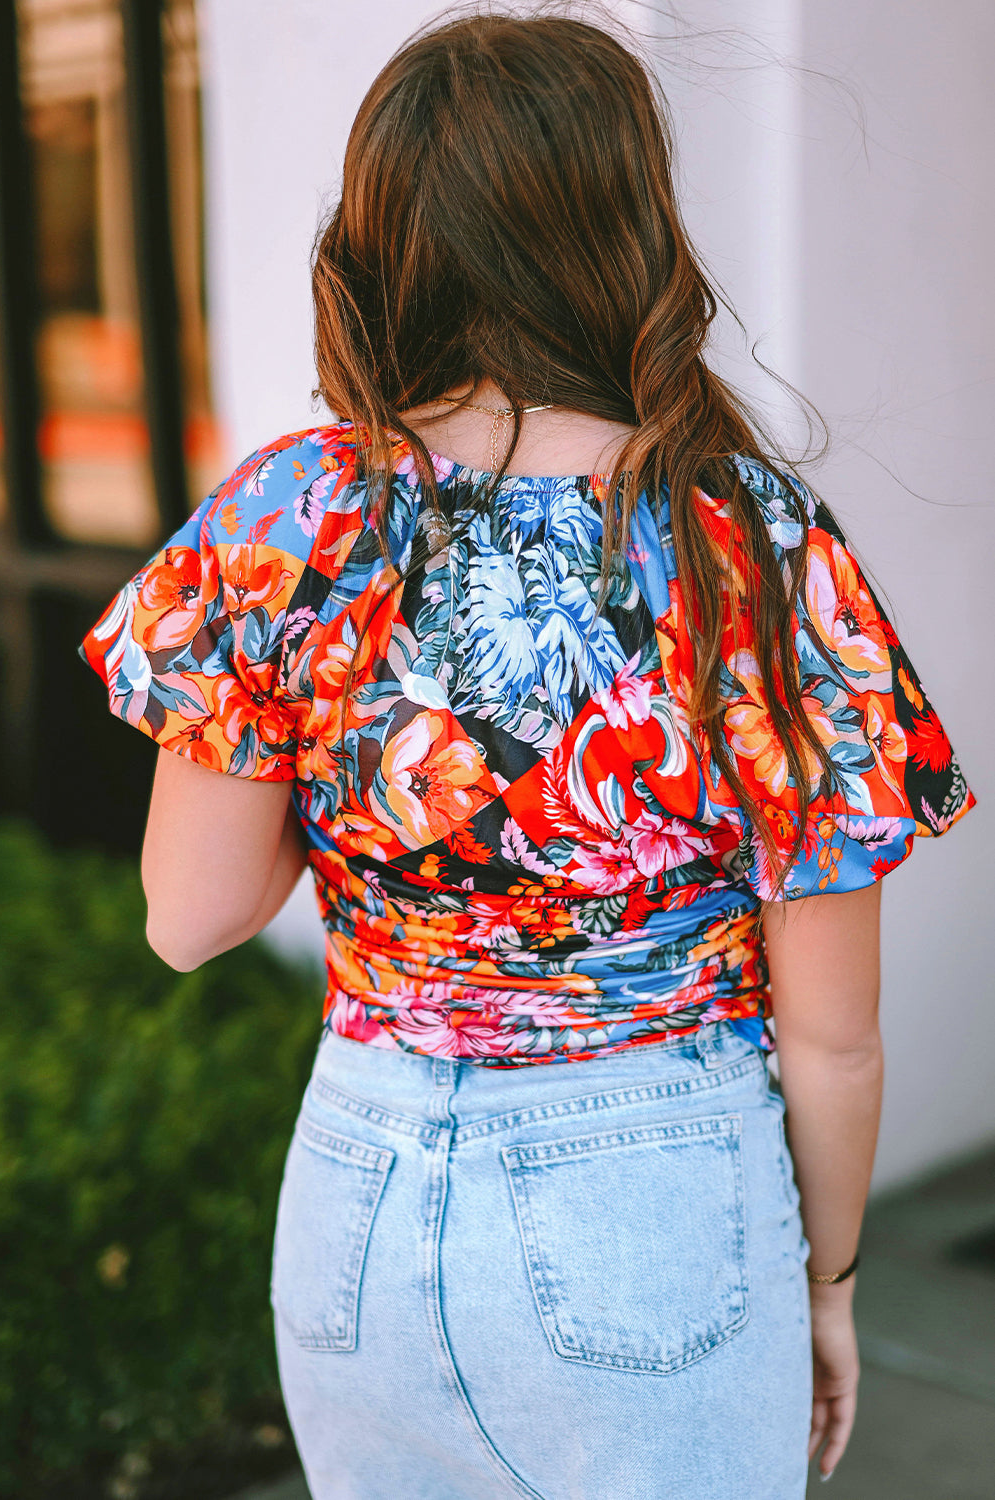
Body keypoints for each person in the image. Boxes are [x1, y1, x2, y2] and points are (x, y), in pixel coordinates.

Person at [78, 9, 976, 1498]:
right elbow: (834, 1039)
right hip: (656, 1195)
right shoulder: (746, 543)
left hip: (358, 1183)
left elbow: (190, 921)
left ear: (379, 240)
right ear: (628, 222)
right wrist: (827, 1287)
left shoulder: (290, 517)